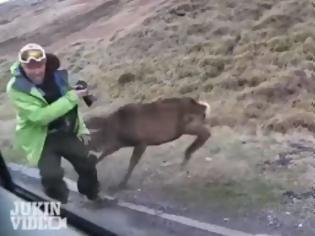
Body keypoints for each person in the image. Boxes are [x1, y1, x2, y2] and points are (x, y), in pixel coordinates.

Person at [6, 43, 100, 203]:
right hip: (40, 137)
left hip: (65, 132)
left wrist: (81, 129)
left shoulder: (60, 77)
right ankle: (62, 204)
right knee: (51, 177)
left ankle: (91, 195)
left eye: (39, 65)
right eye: (30, 67)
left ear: (45, 63)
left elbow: (72, 109)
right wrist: (71, 97)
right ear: (22, 66)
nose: (36, 71)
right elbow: (39, 117)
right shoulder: (16, 87)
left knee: (87, 165)